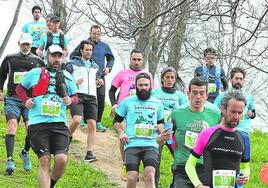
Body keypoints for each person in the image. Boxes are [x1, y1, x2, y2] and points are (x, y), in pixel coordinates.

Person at [15, 45, 78, 188]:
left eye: (59, 56)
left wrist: (70, 100)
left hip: (59, 124)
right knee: (44, 160)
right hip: (38, 124)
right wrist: (26, 100)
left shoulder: (67, 76)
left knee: (61, 160)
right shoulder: (35, 73)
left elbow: (75, 97)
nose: (56, 59)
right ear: (47, 56)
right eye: (54, 56)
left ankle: (50, 185)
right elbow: (20, 88)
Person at [185, 89, 250, 188]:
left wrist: (244, 178)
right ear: (223, 109)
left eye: (240, 113)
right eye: (233, 112)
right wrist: (198, 185)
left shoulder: (244, 138)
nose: (236, 116)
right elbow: (189, 165)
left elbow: (245, 167)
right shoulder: (207, 133)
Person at [0, 33, 44, 175]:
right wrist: (0, 90)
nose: (25, 47)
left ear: (31, 46)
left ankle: (24, 152)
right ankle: (10, 159)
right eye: (23, 44)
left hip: (29, 100)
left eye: (28, 45)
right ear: (19, 43)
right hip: (12, 98)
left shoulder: (37, 61)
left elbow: (44, 79)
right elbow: (1, 76)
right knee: (12, 126)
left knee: (30, 129)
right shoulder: (10, 58)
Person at [109, 49, 154, 181]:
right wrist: (114, 104)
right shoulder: (122, 73)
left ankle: (141, 165)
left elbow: (153, 93)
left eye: (139, 59)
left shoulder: (148, 75)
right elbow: (111, 91)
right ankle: (126, 164)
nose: (136, 62)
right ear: (130, 59)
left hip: (142, 111)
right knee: (123, 137)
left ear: (143, 60)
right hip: (124, 110)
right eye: (134, 59)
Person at [113, 72, 164, 188]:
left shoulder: (158, 103)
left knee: (150, 175)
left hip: (151, 144)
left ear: (150, 86)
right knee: (131, 177)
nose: (143, 88)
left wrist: (161, 127)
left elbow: (161, 123)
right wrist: (121, 132)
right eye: (140, 85)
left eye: (146, 85)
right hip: (132, 144)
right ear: (136, 86)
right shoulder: (127, 102)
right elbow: (116, 121)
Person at [170, 77, 221, 188]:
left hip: (205, 167)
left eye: (202, 93)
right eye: (195, 93)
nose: (198, 97)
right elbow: (167, 138)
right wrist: (161, 140)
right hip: (182, 167)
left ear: (207, 95)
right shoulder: (177, 114)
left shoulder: (215, 115)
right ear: (188, 94)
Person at [70, 25, 115, 132]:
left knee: (100, 97)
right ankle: (81, 118)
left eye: (98, 33)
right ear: (90, 33)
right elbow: (72, 56)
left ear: (100, 34)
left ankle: (98, 121)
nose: (96, 35)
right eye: (94, 33)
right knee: (83, 96)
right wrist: (81, 63)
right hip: (85, 75)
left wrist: (109, 67)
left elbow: (111, 58)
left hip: (99, 76)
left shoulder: (105, 46)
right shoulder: (84, 44)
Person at [66, 40, 103, 162]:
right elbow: (64, 78)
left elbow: (95, 80)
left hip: (92, 97)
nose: (88, 52)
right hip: (78, 95)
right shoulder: (72, 63)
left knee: (92, 125)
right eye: (86, 50)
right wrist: (73, 83)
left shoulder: (95, 66)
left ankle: (89, 153)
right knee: (77, 120)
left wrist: (99, 82)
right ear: (81, 50)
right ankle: (67, 137)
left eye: (90, 50)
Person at [151, 66, 188, 187]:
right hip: (158, 132)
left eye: (172, 77)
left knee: (179, 160)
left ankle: (176, 184)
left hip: (174, 133)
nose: (170, 80)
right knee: (155, 161)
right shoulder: (154, 93)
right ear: (162, 79)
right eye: (167, 77)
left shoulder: (180, 95)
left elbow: (184, 114)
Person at [214, 67, 256, 134]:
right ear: (231, 79)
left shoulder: (248, 96)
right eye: (236, 78)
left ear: (243, 81)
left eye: (241, 79)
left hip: (243, 130)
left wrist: (251, 114)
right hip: (226, 129)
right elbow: (214, 111)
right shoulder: (222, 95)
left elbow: (254, 113)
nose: (239, 81)